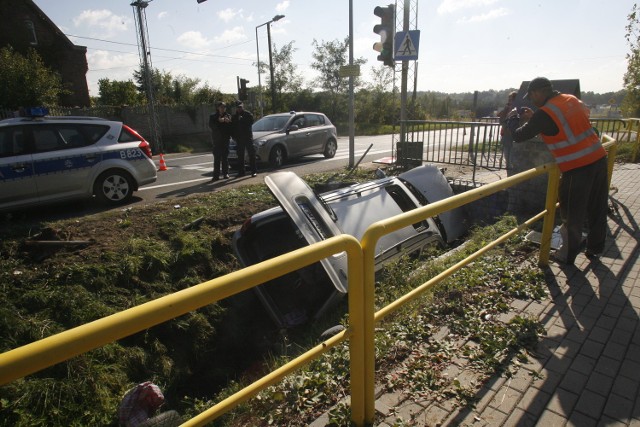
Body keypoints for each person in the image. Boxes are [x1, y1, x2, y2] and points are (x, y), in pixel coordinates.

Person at [507, 77, 608, 265]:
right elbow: (568, 122)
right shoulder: (570, 100)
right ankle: (595, 249)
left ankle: (567, 255)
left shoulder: (545, 114)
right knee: (597, 207)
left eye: (531, 96)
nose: (531, 100)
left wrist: (512, 119)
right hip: (599, 158)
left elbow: (519, 135)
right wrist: (535, 117)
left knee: (571, 213)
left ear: (538, 92)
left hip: (577, 166)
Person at [231, 100, 257, 177]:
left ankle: (253, 171)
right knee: (240, 156)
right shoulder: (234, 116)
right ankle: (241, 172)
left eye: (240, 107)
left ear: (243, 106)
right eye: (238, 107)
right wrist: (234, 137)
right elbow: (233, 127)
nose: (239, 109)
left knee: (251, 154)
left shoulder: (248, 114)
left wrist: (242, 119)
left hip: (247, 137)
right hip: (239, 138)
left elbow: (250, 122)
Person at [208, 101, 232, 181]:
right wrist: (219, 121)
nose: (222, 109)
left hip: (225, 140)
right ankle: (216, 175)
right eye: (221, 107)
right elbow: (211, 126)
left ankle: (226, 173)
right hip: (217, 140)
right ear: (218, 108)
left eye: (224, 107)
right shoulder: (213, 116)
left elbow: (231, 127)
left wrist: (228, 122)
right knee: (217, 158)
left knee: (225, 158)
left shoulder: (228, 116)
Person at [497, 91, 518, 169]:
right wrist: (505, 110)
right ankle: (508, 166)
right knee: (506, 149)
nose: (509, 101)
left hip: (513, 132)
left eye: (511, 99)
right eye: (509, 99)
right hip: (506, 132)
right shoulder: (506, 108)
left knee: (512, 150)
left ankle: (511, 166)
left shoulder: (518, 108)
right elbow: (501, 118)